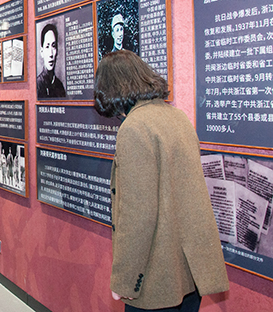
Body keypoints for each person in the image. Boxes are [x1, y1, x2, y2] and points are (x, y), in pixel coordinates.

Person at [93, 50, 229, 312]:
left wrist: (124, 280)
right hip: (189, 273)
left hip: (157, 278)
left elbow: (138, 214)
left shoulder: (134, 128)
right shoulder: (177, 117)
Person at [36, 24, 66, 98]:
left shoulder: (60, 86)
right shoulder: (38, 84)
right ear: (42, 52)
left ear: (57, 50)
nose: (51, 54)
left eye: (53, 46)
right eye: (47, 46)